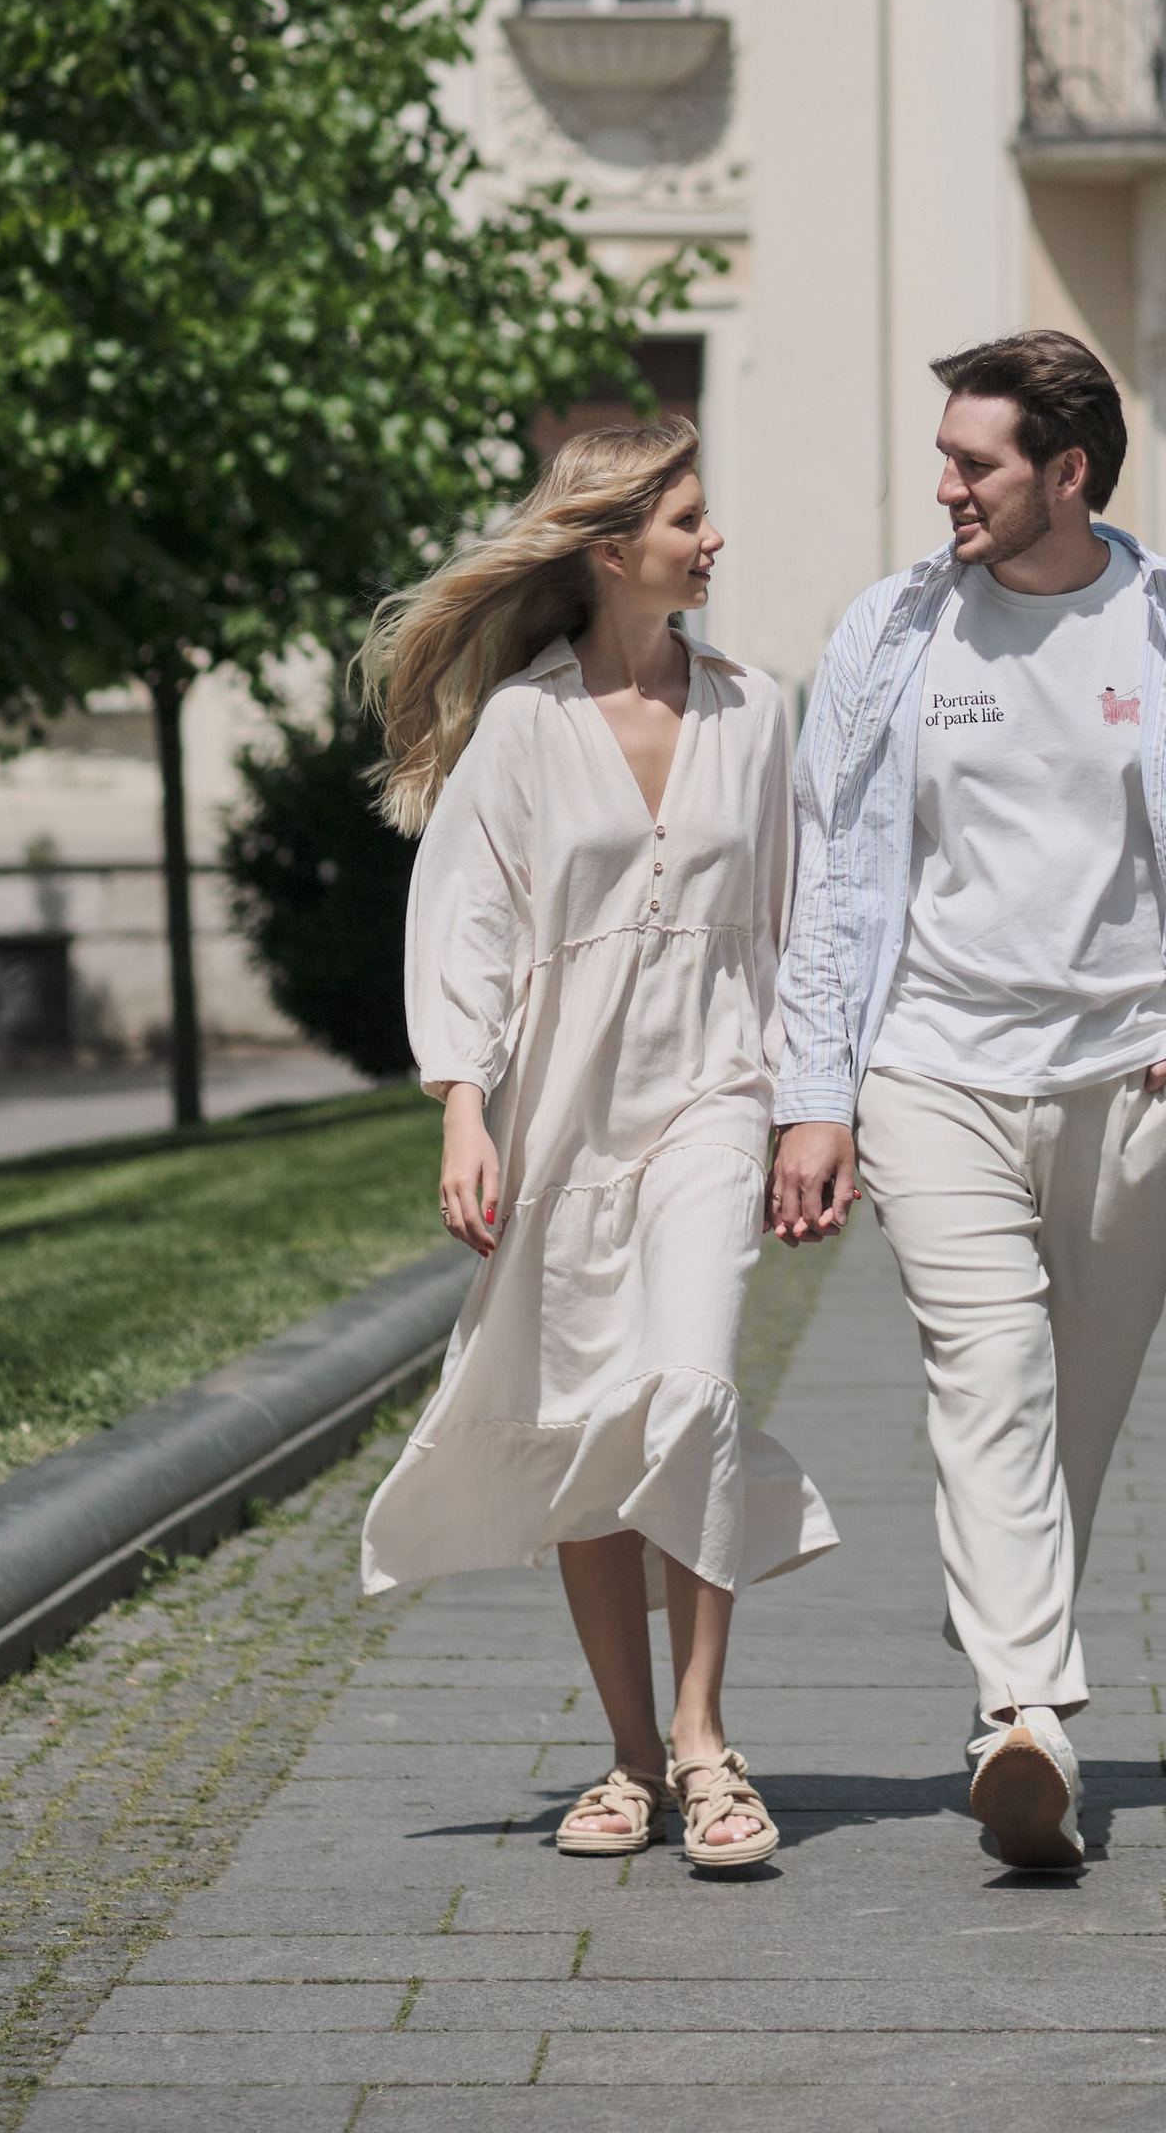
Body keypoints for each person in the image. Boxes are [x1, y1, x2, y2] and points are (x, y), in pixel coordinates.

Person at [769, 330, 1166, 1873]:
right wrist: (817, 1097)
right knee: (993, 1381)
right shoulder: (893, 632)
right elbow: (828, 878)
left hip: (1133, 1080)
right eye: (945, 460)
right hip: (932, 1071)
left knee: (1069, 1420)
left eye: (976, 464)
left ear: (1068, 472)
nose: (945, 489)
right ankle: (1028, 1713)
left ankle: (1005, 1690)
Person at [358, 416, 835, 1873]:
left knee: (689, 1388)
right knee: (588, 1418)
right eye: (688, 518)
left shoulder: (754, 712)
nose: (714, 538)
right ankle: (630, 1758)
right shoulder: (525, 726)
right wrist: (463, 1105)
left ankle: (703, 1739)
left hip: (713, 1097)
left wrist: (814, 1105)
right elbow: (466, 919)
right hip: (562, 1118)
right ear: (613, 548)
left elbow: (800, 917)